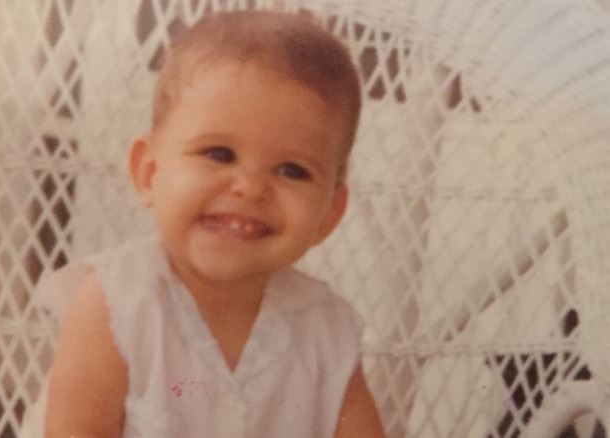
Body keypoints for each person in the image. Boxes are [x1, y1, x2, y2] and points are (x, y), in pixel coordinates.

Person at [44, 9, 385, 438]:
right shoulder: (117, 305)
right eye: (219, 154)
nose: (249, 187)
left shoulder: (325, 332)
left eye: (292, 170)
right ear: (150, 173)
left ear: (328, 215)